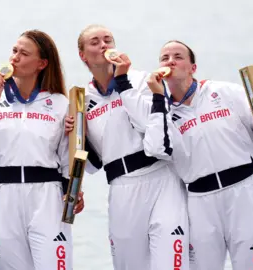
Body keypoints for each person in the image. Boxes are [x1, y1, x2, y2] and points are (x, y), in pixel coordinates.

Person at [146, 40, 253, 270]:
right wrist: (159, 99)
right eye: (164, 58)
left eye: (178, 56)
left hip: (242, 192)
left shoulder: (226, 92)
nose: (170, 61)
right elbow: (156, 148)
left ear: (192, 68)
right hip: (200, 200)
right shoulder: (161, 111)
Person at [66, 24, 189, 270]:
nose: (104, 46)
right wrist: (75, 135)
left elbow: (150, 125)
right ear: (82, 55)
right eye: (95, 42)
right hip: (121, 188)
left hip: (161, 179)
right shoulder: (82, 100)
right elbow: (91, 164)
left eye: (108, 40)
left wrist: (123, 82)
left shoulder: (144, 80)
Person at [0, 29, 84, 270]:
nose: (14, 58)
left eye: (23, 53)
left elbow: (66, 158)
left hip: (47, 198)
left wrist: (74, 191)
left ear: (41, 63)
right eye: (14, 51)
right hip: (3, 196)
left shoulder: (60, 102)